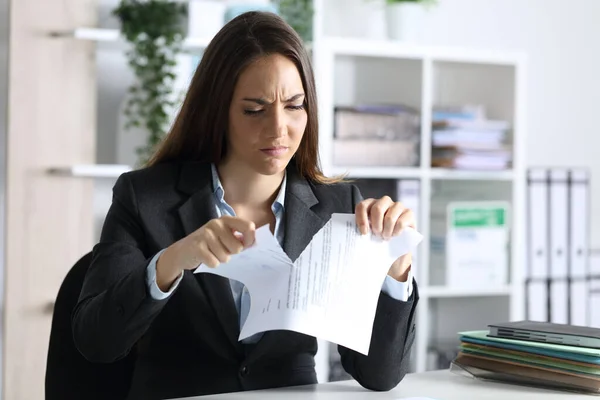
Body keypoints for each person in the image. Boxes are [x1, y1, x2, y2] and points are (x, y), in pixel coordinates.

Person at [72, 11, 419, 400]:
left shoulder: (338, 207)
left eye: (294, 105)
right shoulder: (145, 197)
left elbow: (380, 376)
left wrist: (395, 269)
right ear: (217, 111)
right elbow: (95, 341)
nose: (278, 129)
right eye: (254, 109)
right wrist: (173, 260)